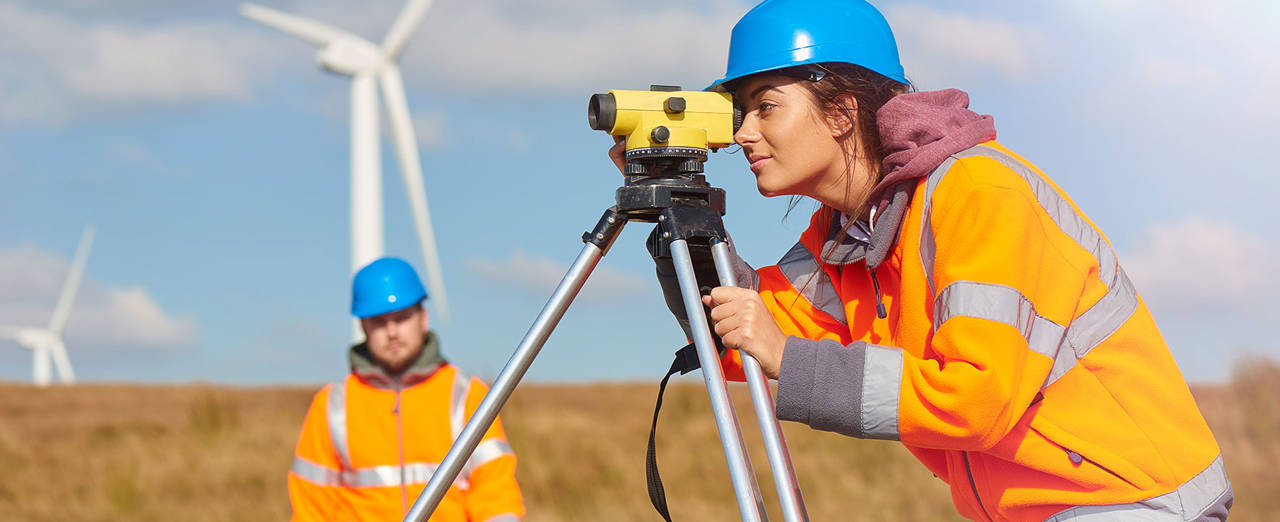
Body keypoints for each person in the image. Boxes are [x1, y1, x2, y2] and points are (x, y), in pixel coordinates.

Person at [615, 0, 1232, 520]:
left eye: (765, 106)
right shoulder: (852, 233)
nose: (744, 133)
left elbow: (974, 398)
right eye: (739, 112)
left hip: (1137, 502)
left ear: (841, 110)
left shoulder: (977, 192)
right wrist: (683, 219)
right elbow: (747, 334)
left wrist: (788, 357)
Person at [288, 257, 523, 521]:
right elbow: (312, 509)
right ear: (363, 326)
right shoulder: (331, 406)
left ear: (423, 318)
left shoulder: (468, 396)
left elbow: (495, 494)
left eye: (401, 318)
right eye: (379, 321)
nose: (391, 332)